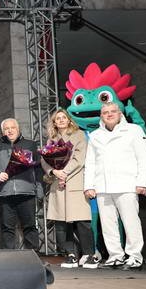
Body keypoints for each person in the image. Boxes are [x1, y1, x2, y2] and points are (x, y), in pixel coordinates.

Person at [84, 102, 146, 270]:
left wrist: (143, 182)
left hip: (127, 184)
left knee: (130, 222)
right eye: (105, 112)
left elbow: (144, 157)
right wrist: (89, 185)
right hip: (102, 186)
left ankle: (135, 256)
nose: (109, 114)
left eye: (113, 111)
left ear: (120, 113)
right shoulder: (95, 135)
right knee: (108, 225)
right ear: (101, 116)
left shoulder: (134, 130)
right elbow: (90, 162)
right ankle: (115, 256)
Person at [40, 109, 95, 268]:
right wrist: (53, 171)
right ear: (54, 123)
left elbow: (79, 158)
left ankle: (88, 255)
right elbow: (44, 160)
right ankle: (71, 255)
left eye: (64, 117)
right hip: (58, 185)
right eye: (58, 118)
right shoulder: (52, 140)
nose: (61, 120)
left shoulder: (79, 135)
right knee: (61, 223)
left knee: (82, 221)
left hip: (75, 182)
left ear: (69, 120)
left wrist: (64, 172)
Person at [0, 118, 41, 251]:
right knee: (6, 228)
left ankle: (34, 256)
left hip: (26, 193)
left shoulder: (30, 145)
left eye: (12, 127)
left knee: (30, 226)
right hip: (4, 194)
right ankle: (9, 257)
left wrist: (39, 190)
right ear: (2, 132)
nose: (10, 131)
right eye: (6, 129)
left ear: (18, 129)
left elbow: (38, 168)